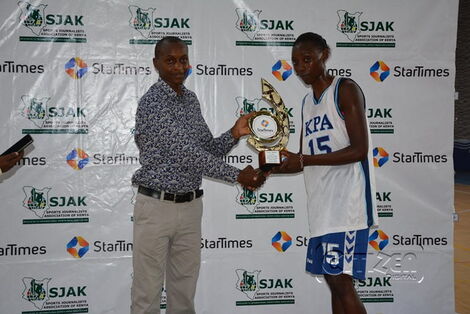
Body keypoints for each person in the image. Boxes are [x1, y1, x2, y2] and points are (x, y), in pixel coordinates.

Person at [131, 36, 265, 314]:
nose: (179, 67)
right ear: (156, 64)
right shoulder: (153, 103)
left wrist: (233, 134)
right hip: (157, 208)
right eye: (170, 61)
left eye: (183, 60)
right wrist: (238, 176)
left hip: (190, 208)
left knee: (183, 294)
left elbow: (205, 151)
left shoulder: (190, 100)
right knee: (147, 295)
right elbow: (186, 154)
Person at [273, 32, 378, 314]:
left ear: (325, 55)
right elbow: (301, 158)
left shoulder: (344, 89)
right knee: (334, 282)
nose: (301, 67)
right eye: (295, 62)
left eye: (307, 59)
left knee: (342, 283)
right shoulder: (308, 103)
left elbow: (359, 149)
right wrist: (266, 170)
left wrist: (304, 159)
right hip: (322, 207)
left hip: (347, 205)